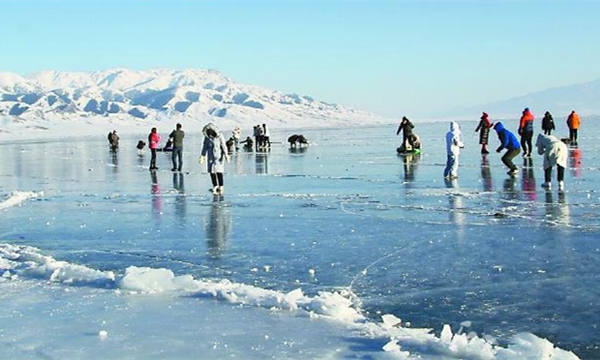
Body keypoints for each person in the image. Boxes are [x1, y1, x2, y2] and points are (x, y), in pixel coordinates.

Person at [199, 123, 229, 194]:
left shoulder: (219, 136)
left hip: (218, 157)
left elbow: (223, 145)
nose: (209, 133)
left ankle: (221, 186)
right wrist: (202, 156)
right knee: (211, 172)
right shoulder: (207, 138)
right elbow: (204, 147)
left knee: (219, 171)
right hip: (210, 157)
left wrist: (226, 154)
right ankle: (215, 185)